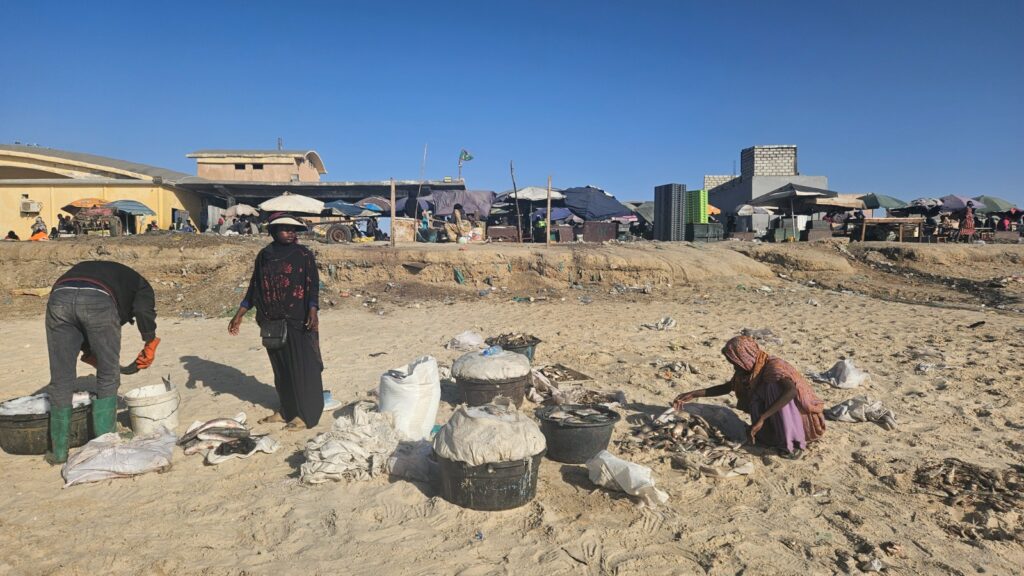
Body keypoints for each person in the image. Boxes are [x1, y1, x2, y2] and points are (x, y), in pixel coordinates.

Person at [45, 261, 160, 463]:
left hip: (59, 297)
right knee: (107, 375)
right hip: (99, 299)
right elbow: (143, 311)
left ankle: (59, 452)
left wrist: (88, 350)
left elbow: (76, 313)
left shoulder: (113, 274)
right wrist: (150, 341)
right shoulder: (142, 286)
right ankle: (105, 443)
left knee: (61, 378)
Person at [228, 213, 324, 429]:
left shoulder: (303, 254)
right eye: (285, 228)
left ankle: (304, 414)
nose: (290, 233)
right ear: (273, 231)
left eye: (293, 229)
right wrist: (239, 314)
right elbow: (255, 287)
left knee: (303, 367)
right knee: (281, 370)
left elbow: (313, 286)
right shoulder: (264, 255)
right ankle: (286, 411)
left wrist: (313, 310)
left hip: (299, 320)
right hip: (271, 321)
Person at [672, 335, 826, 454]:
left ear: (745, 356)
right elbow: (727, 387)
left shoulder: (773, 366)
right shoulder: (747, 371)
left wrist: (763, 417)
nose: (733, 365)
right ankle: (774, 434)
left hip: (799, 419)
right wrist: (694, 393)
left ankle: (793, 443)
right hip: (773, 416)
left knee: (773, 387)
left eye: (734, 361)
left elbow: (791, 391)